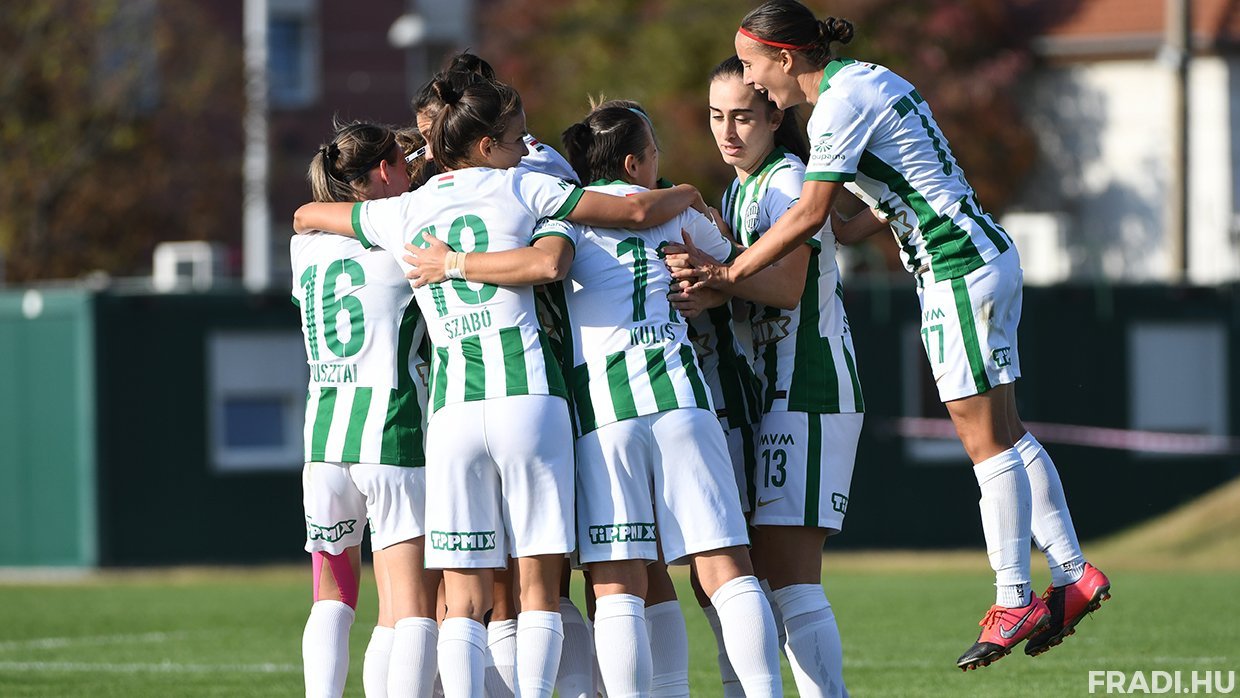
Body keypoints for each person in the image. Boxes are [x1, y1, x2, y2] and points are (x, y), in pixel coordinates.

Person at [683, 0, 1111, 672]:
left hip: (955, 268)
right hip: (977, 254)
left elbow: (813, 213)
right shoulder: (864, 79)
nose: (753, 82)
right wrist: (903, 209)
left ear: (785, 58)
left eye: (753, 66)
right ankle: (1073, 572)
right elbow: (861, 215)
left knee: (983, 440)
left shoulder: (836, 105)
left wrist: (729, 270)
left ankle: (1013, 596)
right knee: (1006, 431)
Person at [292, 75, 709, 698]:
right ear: (487, 144)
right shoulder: (528, 184)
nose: (525, 147)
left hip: (449, 414)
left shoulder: (405, 209)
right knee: (537, 591)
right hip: (527, 398)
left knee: (459, 601)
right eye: (516, 138)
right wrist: (687, 193)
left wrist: (443, 258)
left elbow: (307, 214)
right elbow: (614, 222)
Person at [408, 102, 786, 698]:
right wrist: (708, 282)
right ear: (634, 164)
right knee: (726, 567)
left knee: (616, 585)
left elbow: (540, 269)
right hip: (682, 398)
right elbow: (732, 267)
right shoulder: (673, 209)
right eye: (654, 154)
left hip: (604, 413)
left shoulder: (561, 214)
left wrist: (453, 261)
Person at [671, 53, 867, 697]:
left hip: (809, 384)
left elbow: (785, 288)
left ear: (775, 117)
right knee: (748, 569)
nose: (727, 132)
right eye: (716, 116)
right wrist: (709, 289)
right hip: (770, 392)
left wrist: (718, 279)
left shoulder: (786, 178)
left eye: (743, 117)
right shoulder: (740, 188)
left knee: (789, 578)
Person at [294, 120, 440, 698]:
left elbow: (307, 216)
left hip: (324, 443)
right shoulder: (403, 232)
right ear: (383, 171)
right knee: (410, 607)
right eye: (403, 165)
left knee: (332, 599)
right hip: (392, 435)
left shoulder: (304, 245)